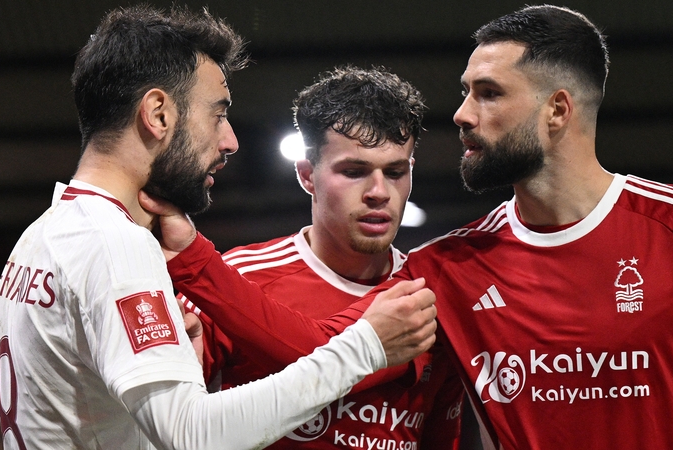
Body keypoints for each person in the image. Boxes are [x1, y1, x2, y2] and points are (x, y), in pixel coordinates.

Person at [141, 4, 673, 449]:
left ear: (557, 110)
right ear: (309, 175)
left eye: (487, 93)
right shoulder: (449, 268)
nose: (460, 114)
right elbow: (324, 352)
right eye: (464, 92)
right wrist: (192, 258)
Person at [0, 6, 439, 450]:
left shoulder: (40, 236)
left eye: (396, 172)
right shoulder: (117, 244)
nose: (230, 140)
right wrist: (363, 348)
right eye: (217, 114)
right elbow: (190, 435)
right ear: (158, 114)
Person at [180, 66, 463, 449]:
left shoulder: (433, 293)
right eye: (353, 171)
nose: (379, 192)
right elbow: (175, 427)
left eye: (395, 171)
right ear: (307, 175)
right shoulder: (237, 279)